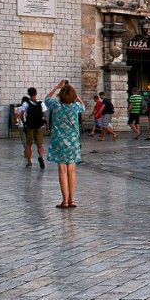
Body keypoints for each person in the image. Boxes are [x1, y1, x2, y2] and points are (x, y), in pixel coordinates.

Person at [43, 80, 84, 208]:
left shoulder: (56, 105)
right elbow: (83, 105)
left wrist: (57, 87)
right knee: (72, 170)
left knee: (62, 170)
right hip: (73, 141)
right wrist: (73, 90)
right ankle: (72, 200)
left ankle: (65, 201)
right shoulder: (76, 106)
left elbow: (46, 98)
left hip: (59, 141)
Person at [17, 87, 47, 169]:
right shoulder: (41, 103)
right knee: (39, 144)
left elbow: (22, 114)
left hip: (30, 126)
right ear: (36, 93)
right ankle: (41, 156)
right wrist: (47, 126)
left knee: (28, 144)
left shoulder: (26, 103)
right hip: (39, 126)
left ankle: (29, 161)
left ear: (29, 94)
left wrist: (24, 123)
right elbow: (45, 115)